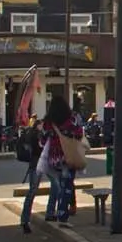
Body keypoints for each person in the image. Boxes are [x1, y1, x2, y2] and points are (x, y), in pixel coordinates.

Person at [37, 95, 84, 226]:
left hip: (54, 158)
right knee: (67, 186)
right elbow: (80, 134)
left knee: (57, 186)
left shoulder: (48, 122)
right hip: (69, 157)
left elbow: (42, 141)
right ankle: (62, 214)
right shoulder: (71, 119)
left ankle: (52, 211)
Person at [16, 114, 45, 233]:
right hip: (37, 165)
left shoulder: (30, 134)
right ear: (38, 125)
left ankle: (25, 220)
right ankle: (25, 220)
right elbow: (39, 150)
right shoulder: (36, 135)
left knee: (32, 191)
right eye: (42, 125)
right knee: (32, 191)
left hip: (34, 165)